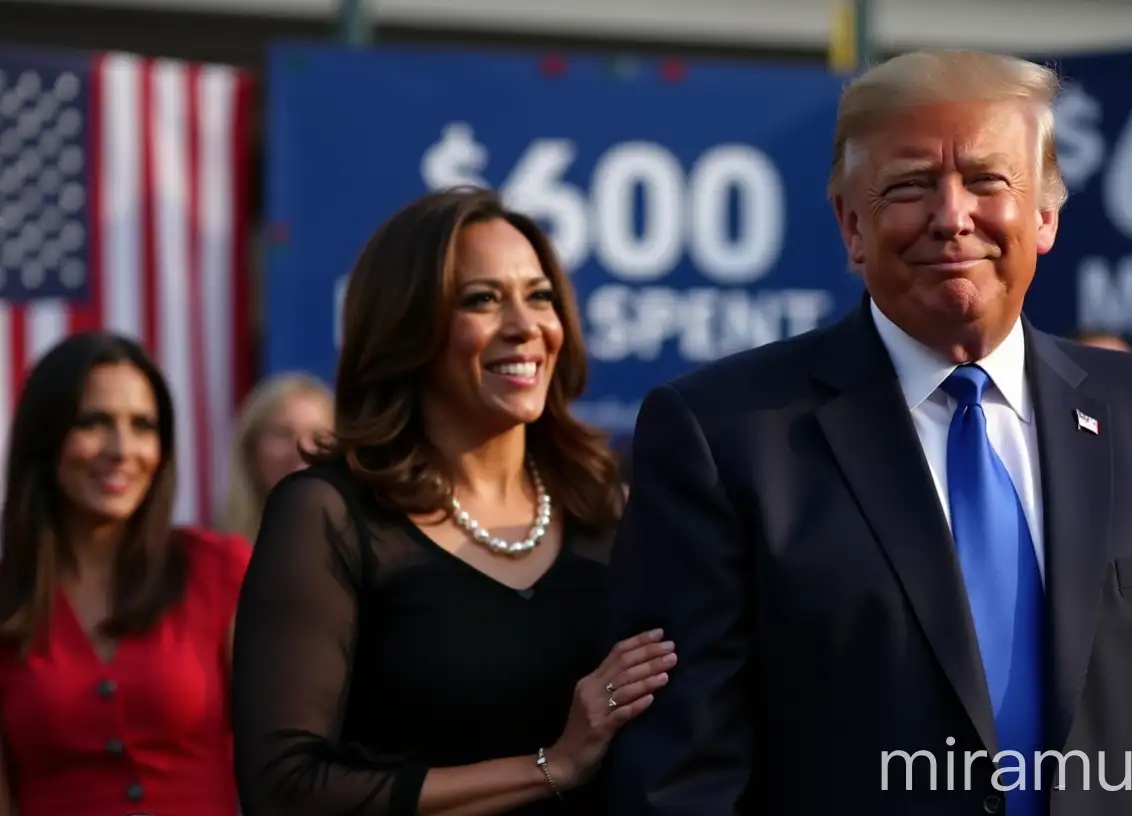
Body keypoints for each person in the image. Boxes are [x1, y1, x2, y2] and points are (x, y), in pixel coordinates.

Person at [606, 49, 1132, 815]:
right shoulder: (723, 437)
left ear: (1044, 215)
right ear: (851, 226)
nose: (951, 216)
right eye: (908, 186)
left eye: (986, 180)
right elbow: (681, 779)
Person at [231, 187, 674, 816]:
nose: (525, 327)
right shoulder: (327, 516)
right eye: (483, 300)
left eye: (539, 296)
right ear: (407, 327)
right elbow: (285, 790)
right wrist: (552, 765)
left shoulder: (610, 511)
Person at [0, 332, 251, 816]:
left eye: (143, 426)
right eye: (93, 422)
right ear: (45, 435)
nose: (122, 449)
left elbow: (285, 761)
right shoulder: (8, 594)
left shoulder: (220, 569)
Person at [219, 371, 334, 540]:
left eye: (319, 436)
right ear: (251, 450)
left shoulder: (368, 551)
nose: (303, 449)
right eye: (283, 434)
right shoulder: (216, 555)